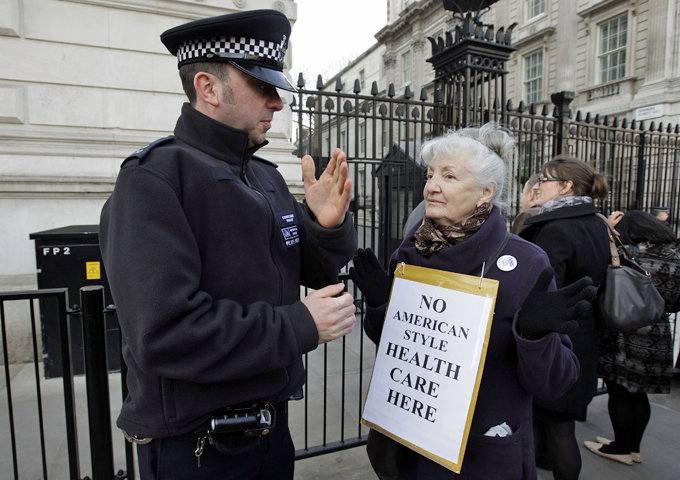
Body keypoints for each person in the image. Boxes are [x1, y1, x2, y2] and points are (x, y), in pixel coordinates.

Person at [99, 10, 358, 479]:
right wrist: (297, 324)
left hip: (270, 431)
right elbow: (165, 333)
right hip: (199, 444)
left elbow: (313, 272)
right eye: (262, 86)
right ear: (209, 88)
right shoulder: (154, 180)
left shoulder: (266, 177)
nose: (277, 102)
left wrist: (326, 225)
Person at [350, 124, 596, 479]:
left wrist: (535, 337)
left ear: (486, 192)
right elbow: (400, 346)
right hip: (410, 442)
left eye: (449, 176)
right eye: (431, 174)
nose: (432, 185)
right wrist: (380, 306)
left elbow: (555, 385)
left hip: (481, 453)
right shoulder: (411, 251)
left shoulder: (526, 264)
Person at [519, 155, 611, 480]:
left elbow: (541, 291)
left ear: (566, 186)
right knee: (559, 426)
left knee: (557, 431)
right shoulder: (596, 221)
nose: (537, 185)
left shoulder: (555, 228)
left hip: (555, 342)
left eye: (544, 179)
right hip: (585, 338)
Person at [585, 210, 678, 465]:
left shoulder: (630, 254)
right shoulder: (675, 255)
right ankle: (632, 446)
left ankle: (621, 448)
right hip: (657, 330)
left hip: (625, 330)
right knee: (639, 393)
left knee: (619, 390)